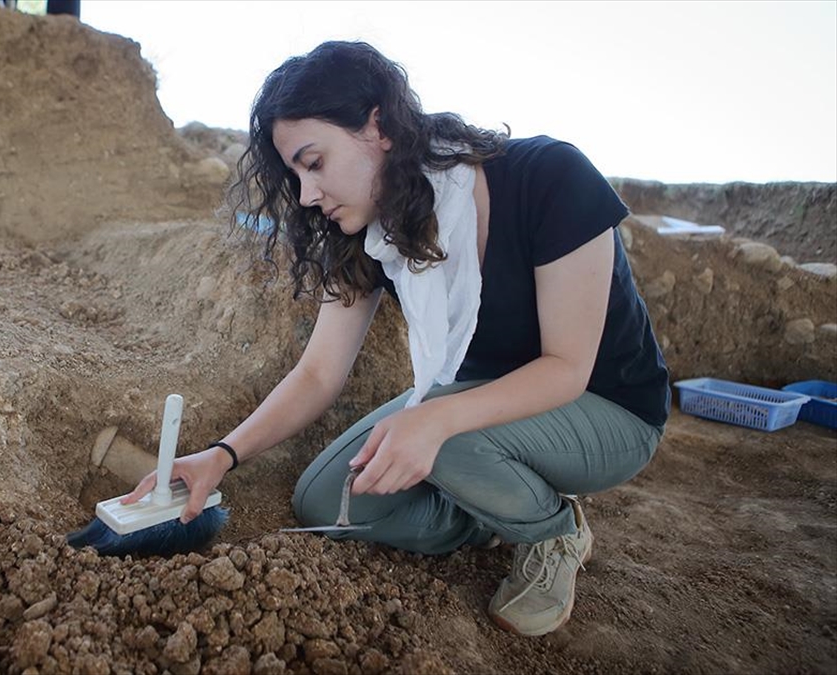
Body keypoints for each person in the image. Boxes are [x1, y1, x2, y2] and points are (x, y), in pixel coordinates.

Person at [122, 40, 669, 637]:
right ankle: (491, 504)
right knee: (327, 500)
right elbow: (318, 373)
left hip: (605, 410)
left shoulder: (550, 177)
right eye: (295, 175)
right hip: (476, 406)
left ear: (377, 125)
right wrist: (221, 455)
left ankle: (554, 531)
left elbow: (568, 367)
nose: (306, 195)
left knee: (443, 429)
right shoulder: (370, 227)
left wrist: (433, 423)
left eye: (314, 162)